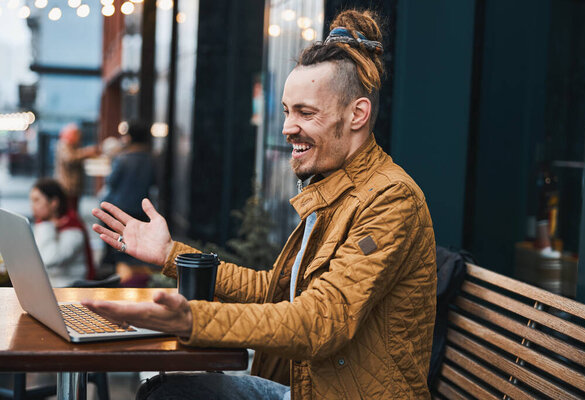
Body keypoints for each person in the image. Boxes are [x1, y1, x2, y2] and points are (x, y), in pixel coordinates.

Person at [84, 9, 437, 399]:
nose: (287, 127)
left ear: (357, 114)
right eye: (287, 111)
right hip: (307, 388)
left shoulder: (391, 198)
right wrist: (171, 253)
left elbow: (322, 320)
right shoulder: (333, 187)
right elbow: (276, 289)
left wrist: (193, 319)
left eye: (305, 112)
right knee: (163, 391)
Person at [100, 120, 157, 285]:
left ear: (130, 136)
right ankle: (134, 281)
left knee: (115, 247)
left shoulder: (122, 158)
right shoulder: (152, 159)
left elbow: (111, 181)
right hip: (141, 209)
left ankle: (116, 279)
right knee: (134, 250)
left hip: (119, 207)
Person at [30, 178, 95, 287]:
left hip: (71, 289)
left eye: (37, 200)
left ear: (54, 203)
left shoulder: (73, 229)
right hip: (49, 286)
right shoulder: (42, 223)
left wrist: (47, 226)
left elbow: (48, 259)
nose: (32, 206)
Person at [54, 123, 98, 211]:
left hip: (73, 186)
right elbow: (70, 158)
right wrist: (87, 152)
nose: (79, 138)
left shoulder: (72, 146)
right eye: (77, 135)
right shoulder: (64, 144)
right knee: (69, 210)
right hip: (67, 186)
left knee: (73, 209)